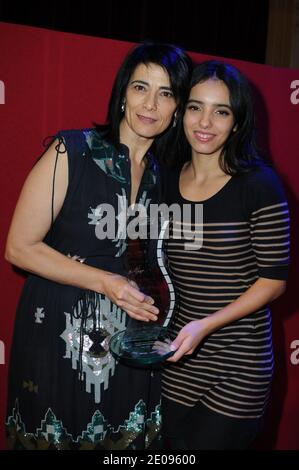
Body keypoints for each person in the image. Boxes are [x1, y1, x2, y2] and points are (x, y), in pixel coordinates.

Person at [4, 42, 192, 450]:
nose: (150, 103)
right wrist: (106, 281)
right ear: (123, 92)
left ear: (177, 108)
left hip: (131, 347)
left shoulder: (167, 178)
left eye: (165, 93)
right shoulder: (70, 151)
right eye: (141, 87)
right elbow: (19, 247)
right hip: (58, 334)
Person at [161, 60, 290, 450]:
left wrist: (206, 325)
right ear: (182, 112)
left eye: (221, 111)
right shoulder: (165, 178)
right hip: (178, 358)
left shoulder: (259, 184)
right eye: (196, 107)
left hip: (238, 365)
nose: (205, 122)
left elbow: (273, 281)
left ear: (237, 122)